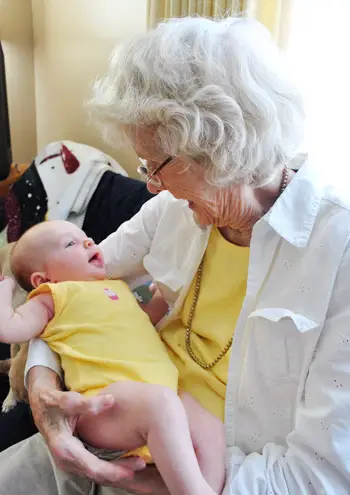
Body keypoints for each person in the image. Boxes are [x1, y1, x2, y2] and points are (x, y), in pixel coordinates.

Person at [1, 14, 350, 495]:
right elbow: (68, 288)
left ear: (221, 147)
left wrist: (155, 477)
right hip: (109, 426)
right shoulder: (172, 209)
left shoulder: (338, 250)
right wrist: (42, 389)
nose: (149, 183)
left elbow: (319, 477)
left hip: (209, 473)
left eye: (157, 164)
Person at [0, 220, 224, 495]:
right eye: (70, 244)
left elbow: (141, 322)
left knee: (208, 421)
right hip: (102, 406)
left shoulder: (115, 287)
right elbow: (9, 328)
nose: (88, 243)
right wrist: (5, 289)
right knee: (162, 402)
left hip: (155, 403)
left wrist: (164, 297)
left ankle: (208, 487)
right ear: (43, 279)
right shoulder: (53, 297)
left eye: (86, 237)